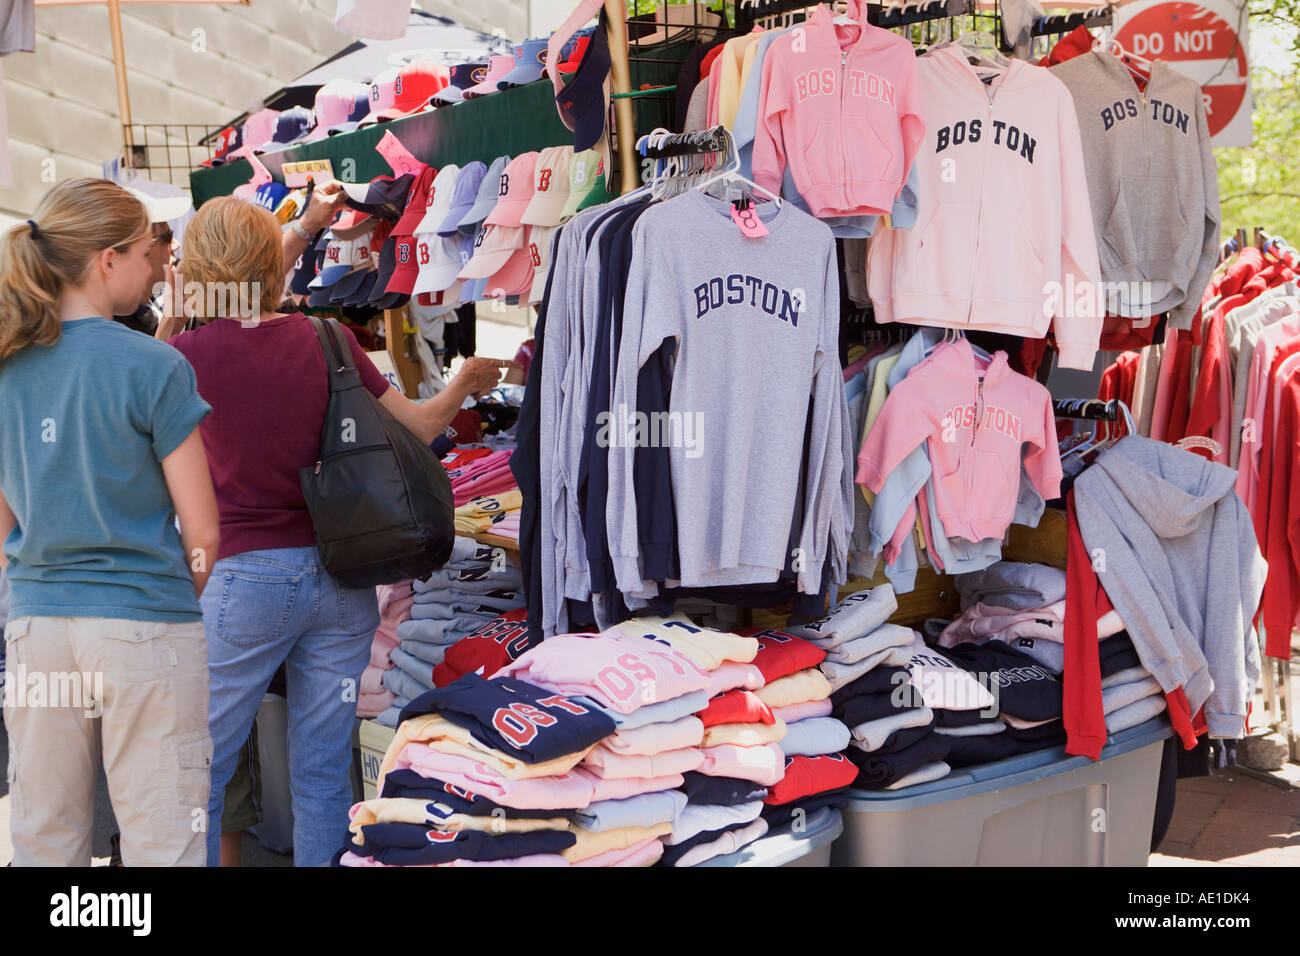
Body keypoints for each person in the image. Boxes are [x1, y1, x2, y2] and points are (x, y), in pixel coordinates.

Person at [167, 196, 513, 867]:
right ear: (275, 263)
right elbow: (419, 426)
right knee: (324, 771)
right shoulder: (326, 338)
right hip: (340, 577)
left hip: (240, 582)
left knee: (196, 776)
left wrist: (181, 307)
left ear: (202, 268)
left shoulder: (184, 357)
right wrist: (466, 382)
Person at [0, 177, 220, 866]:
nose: (156, 268)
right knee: (164, 833)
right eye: (148, 254)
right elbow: (204, 533)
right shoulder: (155, 364)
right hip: (144, 623)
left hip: (38, 625)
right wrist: (170, 601)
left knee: (46, 830)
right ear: (107, 259)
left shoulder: (7, 368)